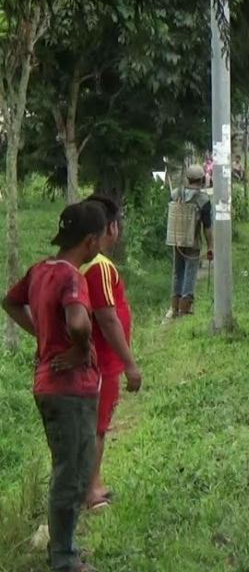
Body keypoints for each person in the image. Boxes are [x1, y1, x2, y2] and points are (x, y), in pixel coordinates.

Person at [2, 201, 108, 572]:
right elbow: (78, 323)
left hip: (48, 384)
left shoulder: (40, 270)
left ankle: (64, 547)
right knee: (72, 474)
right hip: (70, 389)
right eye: (100, 239)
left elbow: (10, 302)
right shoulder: (72, 277)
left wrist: (44, 334)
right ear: (91, 241)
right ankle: (64, 558)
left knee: (68, 468)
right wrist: (79, 349)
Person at [80, 195, 143, 510]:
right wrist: (130, 364)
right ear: (111, 228)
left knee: (92, 424)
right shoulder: (101, 267)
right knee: (98, 427)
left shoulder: (83, 262)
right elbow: (107, 318)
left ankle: (88, 484)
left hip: (92, 360)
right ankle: (91, 489)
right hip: (102, 362)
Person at [168, 164, 213, 318]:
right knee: (190, 272)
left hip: (176, 239)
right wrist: (210, 246)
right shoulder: (203, 199)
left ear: (188, 178)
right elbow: (207, 227)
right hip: (193, 241)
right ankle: (185, 306)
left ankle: (175, 305)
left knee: (177, 271)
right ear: (202, 180)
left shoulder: (175, 194)